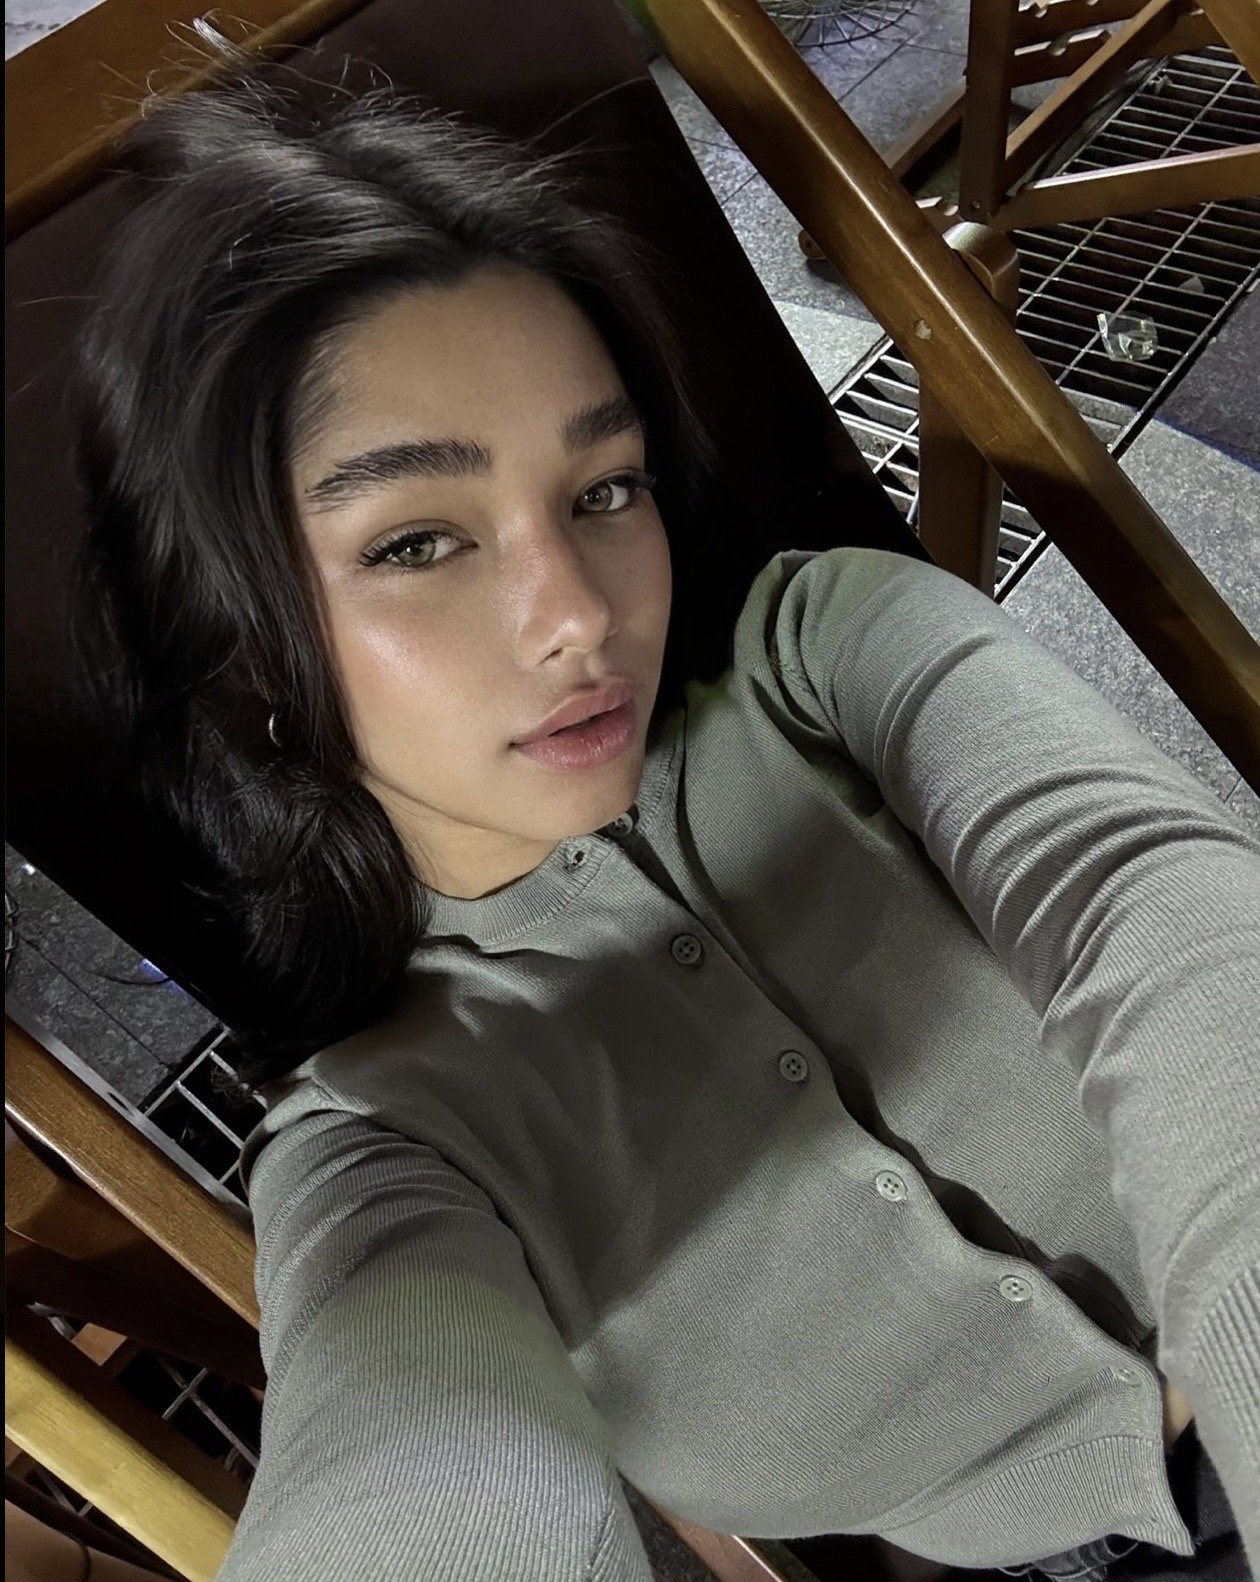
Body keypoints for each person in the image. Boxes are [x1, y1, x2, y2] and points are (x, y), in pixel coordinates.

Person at [68, 49, 1259, 1582]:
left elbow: (1151, 917)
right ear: (244, 651)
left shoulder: (835, 648)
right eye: (419, 540)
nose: (578, 613)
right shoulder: (382, 1141)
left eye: (603, 489)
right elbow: (410, 1452)